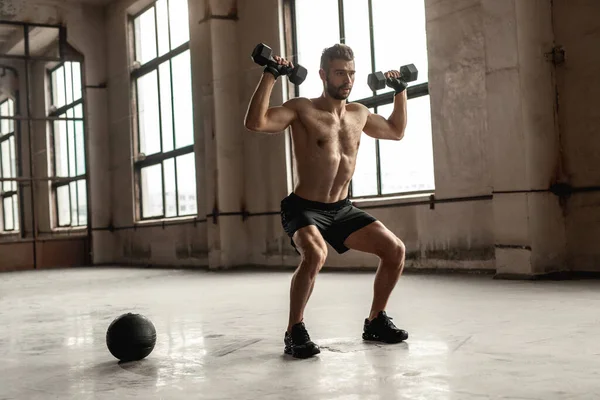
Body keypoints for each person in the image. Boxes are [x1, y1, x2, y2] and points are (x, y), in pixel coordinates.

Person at [244, 44, 409, 359]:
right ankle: (294, 330)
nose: (347, 79)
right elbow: (256, 122)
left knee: (395, 250)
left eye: (351, 73)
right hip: (304, 207)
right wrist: (270, 74)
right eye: (339, 72)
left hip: (341, 208)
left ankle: (375, 320)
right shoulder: (302, 109)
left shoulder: (358, 114)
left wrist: (399, 90)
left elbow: (396, 131)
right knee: (316, 254)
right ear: (322, 74)